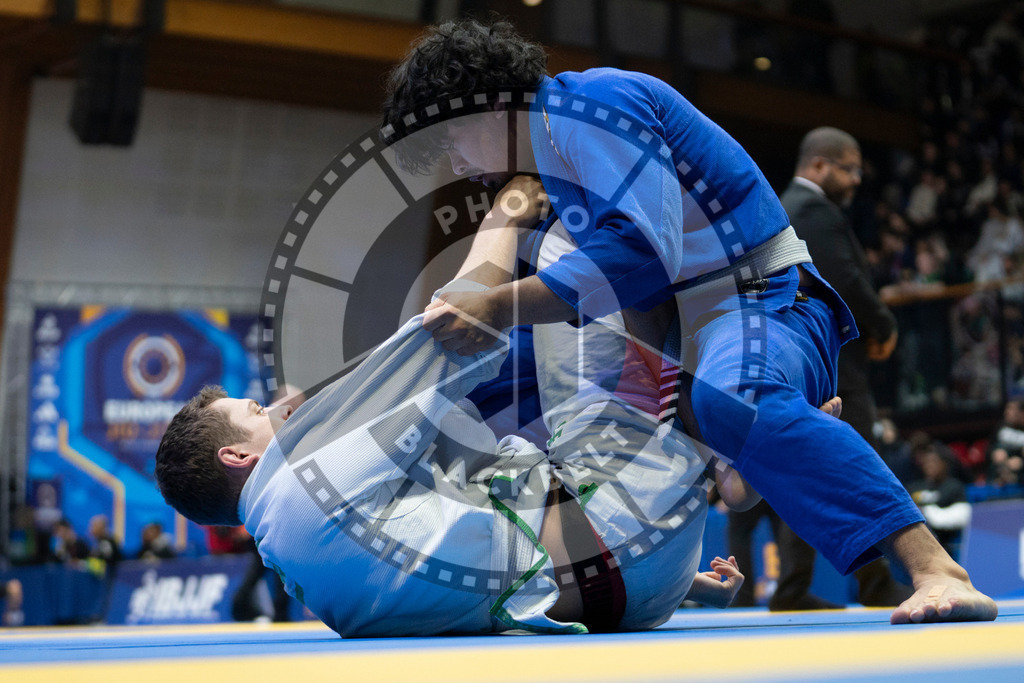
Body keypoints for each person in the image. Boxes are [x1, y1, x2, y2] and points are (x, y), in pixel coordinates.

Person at [380, 19, 996, 624]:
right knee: (627, 446)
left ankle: (936, 566)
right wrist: (501, 225)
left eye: (452, 141)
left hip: (768, 304)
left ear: (488, 108)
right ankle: (755, 443)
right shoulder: (554, 174)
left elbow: (645, 256)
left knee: (736, 396)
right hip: (694, 338)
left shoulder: (594, 103)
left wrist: (501, 304)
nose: (458, 167)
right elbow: (550, 301)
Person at [775, 126, 910, 610]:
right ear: (819, 166)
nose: (855, 179)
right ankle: (875, 585)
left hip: (804, 361)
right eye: (849, 168)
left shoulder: (784, 206)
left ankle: (791, 590)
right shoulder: (812, 209)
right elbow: (845, 280)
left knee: (808, 470)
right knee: (861, 466)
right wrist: (885, 324)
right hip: (833, 366)